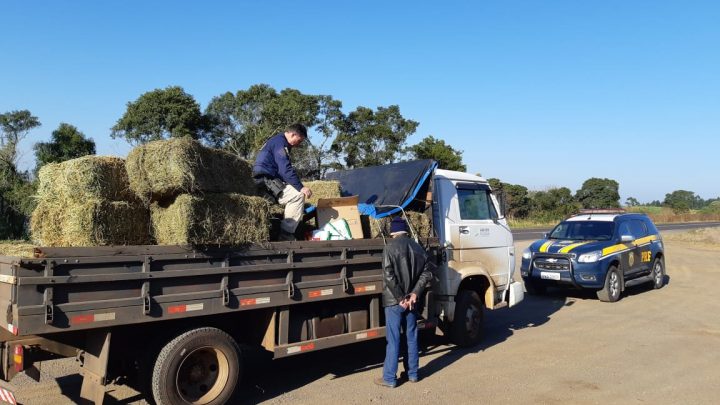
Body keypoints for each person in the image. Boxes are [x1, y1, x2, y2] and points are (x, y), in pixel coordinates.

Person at [374, 217, 434, 388]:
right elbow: (426, 273)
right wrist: (414, 293)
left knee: (393, 340)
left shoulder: (389, 248)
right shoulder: (418, 248)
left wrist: (401, 298)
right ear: (406, 230)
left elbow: (388, 275)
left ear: (393, 231)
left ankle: (389, 379)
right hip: (412, 301)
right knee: (412, 337)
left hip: (395, 302)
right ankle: (413, 374)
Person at [252, 124, 313, 240]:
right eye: (299, 140)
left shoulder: (276, 141)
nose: (299, 144)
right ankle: (286, 234)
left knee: (292, 191)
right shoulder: (280, 143)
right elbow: (285, 169)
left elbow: (281, 171)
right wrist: (301, 187)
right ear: (292, 134)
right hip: (265, 181)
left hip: (266, 178)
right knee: (298, 195)